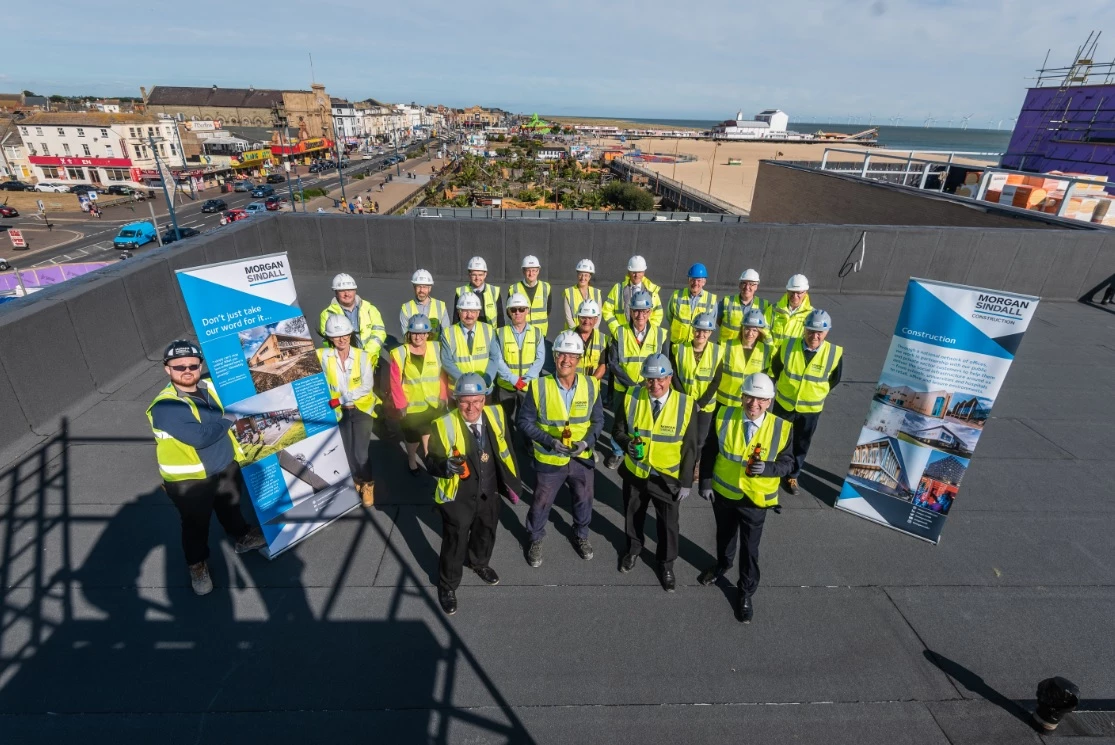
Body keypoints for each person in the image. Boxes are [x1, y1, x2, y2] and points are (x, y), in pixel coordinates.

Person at [146, 340, 266, 596]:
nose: (186, 370)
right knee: (195, 525)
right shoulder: (165, 406)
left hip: (224, 465)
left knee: (232, 509)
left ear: (200, 365)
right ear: (167, 369)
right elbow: (200, 437)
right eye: (178, 367)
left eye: (192, 365)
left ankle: (243, 537)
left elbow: (240, 378)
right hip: (189, 480)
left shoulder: (209, 386)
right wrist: (227, 419)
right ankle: (197, 565)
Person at [697, 372, 794, 623]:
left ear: (770, 401)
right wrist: (705, 482)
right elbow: (709, 450)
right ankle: (722, 565)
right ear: (741, 397)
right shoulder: (724, 416)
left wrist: (769, 469)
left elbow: (788, 463)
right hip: (725, 493)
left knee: (750, 549)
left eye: (761, 400)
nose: (754, 405)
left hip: (755, 499)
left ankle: (745, 591)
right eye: (750, 398)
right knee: (724, 536)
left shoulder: (782, 428)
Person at [426, 373, 523, 615]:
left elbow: (506, 447)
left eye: (477, 401)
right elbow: (431, 461)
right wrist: (444, 466)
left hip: (489, 492)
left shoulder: (496, 415)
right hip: (458, 498)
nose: (472, 408)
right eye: (465, 402)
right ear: (456, 400)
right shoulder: (443, 424)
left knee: (486, 532)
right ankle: (447, 585)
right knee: (454, 542)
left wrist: (510, 482)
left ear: (485, 399)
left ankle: (479, 563)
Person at [611, 354, 700, 592]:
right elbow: (617, 429)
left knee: (669, 525)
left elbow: (690, 447)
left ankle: (666, 563)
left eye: (661, 378)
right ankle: (633, 550)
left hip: (667, 479)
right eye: (650, 380)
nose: (655, 385)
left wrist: (686, 482)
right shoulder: (631, 396)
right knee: (633, 516)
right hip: (636, 473)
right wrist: (626, 442)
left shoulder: (686, 404)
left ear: (670, 378)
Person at [517, 331, 604, 566]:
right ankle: (535, 538)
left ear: (579, 360)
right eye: (561, 354)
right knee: (541, 502)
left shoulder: (591, 385)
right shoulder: (539, 387)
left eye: (572, 355)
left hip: (580, 458)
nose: (566, 360)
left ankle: (581, 535)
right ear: (554, 356)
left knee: (584, 499)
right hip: (550, 459)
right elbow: (523, 422)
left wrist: (586, 443)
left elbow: (598, 422)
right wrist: (549, 441)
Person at [771, 309, 842, 496]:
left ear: (827, 332)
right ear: (804, 329)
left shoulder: (834, 353)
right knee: (777, 438)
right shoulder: (787, 345)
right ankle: (773, 471)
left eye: (820, 332)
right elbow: (776, 368)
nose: (814, 336)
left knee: (801, 443)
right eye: (810, 331)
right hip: (784, 404)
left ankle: (792, 475)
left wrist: (816, 393)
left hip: (810, 408)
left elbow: (834, 379)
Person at [317, 315, 378, 506]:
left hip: (361, 410)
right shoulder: (323, 356)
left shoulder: (363, 356)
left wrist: (340, 399)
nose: (342, 339)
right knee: (346, 452)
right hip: (339, 412)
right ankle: (356, 480)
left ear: (350, 334)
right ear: (329, 338)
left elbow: (366, 386)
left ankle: (368, 483)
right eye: (336, 336)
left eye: (345, 335)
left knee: (361, 454)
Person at [605, 290, 669, 469]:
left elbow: (664, 362)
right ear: (630, 311)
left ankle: (645, 452)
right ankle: (618, 452)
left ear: (650, 312)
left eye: (645, 311)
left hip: (648, 388)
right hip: (623, 387)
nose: (640, 315)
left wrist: (644, 384)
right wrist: (632, 385)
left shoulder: (660, 334)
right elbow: (613, 363)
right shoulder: (619, 332)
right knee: (619, 422)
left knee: (644, 421)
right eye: (636, 311)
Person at [388, 314, 449, 475]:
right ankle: (412, 459)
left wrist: (443, 395)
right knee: (412, 438)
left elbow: (442, 375)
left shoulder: (436, 348)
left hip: (433, 402)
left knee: (429, 431)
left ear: (428, 334)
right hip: (411, 406)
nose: (418, 337)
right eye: (415, 333)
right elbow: (395, 381)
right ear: (409, 333)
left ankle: (428, 456)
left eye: (422, 333)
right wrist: (400, 404)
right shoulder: (400, 353)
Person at [671, 312, 724, 455]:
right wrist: (686, 399)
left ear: (711, 332)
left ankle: (695, 464)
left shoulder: (718, 351)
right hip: (683, 402)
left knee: (700, 440)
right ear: (693, 329)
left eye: (706, 331)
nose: (701, 334)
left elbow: (716, 380)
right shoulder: (679, 349)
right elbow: (674, 376)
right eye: (698, 330)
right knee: (680, 436)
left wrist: (700, 403)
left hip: (705, 406)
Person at [494, 292, 545, 425]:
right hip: (506, 386)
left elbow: (540, 359)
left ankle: (526, 446)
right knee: (505, 422)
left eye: (521, 309)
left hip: (527, 386)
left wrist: (526, 379)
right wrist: (513, 379)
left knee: (527, 422)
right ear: (508, 312)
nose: (518, 312)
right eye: (514, 310)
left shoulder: (537, 333)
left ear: (527, 310)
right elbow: (497, 359)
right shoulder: (499, 333)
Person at [318, 273, 387, 363]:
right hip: (344, 363)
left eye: (350, 290)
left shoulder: (370, 309)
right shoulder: (327, 314)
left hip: (370, 360)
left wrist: (366, 355)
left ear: (355, 290)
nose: (347, 294)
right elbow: (327, 341)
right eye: (342, 291)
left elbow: (379, 333)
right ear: (336, 292)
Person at [716, 309, 774, 409]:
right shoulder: (726, 345)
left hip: (750, 404)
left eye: (755, 330)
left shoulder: (766, 350)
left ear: (760, 332)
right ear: (742, 328)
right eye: (747, 328)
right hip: (725, 401)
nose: (750, 333)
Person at [441, 291, 498, 389]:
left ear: (478, 312)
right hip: (458, 389)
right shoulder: (448, 333)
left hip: (484, 388)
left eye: (473, 311)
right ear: (458, 312)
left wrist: (487, 380)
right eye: (465, 311)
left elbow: (495, 357)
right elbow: (446, 361)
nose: (469, 315)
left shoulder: (488, 329)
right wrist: (466, 382)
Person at [601, 254, 663, 337]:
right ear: (628, 272)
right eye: (634, 272)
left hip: (644, 337)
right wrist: (617, 329)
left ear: (644, 272)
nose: (636, 275)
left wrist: (648, 332)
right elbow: (607, 310)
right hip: (622, 335)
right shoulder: (618, 289)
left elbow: (658, 313)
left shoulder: (652, 291)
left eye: (639, 272)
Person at [666, 263, 718, 345]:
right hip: (677, 344)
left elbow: (711, 323)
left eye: (699, 280)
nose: (695, 283)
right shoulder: (677, 295)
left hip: (697, 346)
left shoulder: (711, 300)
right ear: (688, 280)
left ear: (704, 282)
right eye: (692, 280)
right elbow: (669, 317)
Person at [718, 269, 771, 344]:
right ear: (739, 285)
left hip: (750, 348)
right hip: (726, 347)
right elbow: (718, 320)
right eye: (744, 283)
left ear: (756, 287)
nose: (747, 287)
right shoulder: (727, 301)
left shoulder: (765, 305)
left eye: (751, 284)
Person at [506, 255, 552, 336]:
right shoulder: (514, 289)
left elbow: (548, 310)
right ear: (523, 271)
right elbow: (509, 312)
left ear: (538, 271)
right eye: (528, 270)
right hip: (520, 333)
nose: (531, 273)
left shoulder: (546, 288)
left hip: (540, 334)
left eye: (534, 270)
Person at [400, 269, 450, 341]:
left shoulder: (441, 306)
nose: (421, 290)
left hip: (436, 350)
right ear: (414, 287)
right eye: (419, 286)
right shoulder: (406, 308)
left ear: (430, 288)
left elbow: (446, 334)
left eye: (425, 287)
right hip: (415, 350)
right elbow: (406, 337)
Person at [454, 256, 502, 326]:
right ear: (469, 274)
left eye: (480, 275)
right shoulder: (461, 292)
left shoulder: (494, 291)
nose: (477, 278)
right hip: (467, 334)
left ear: (485, 274)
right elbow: (456, 319)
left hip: (490, 335)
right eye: (474, 275)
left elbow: (500, 319)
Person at [768, 274, 813, 345]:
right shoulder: (773, 309)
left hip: (793, 355)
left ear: (805, 292)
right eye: (792, 292)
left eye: (799, 292)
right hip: (772, 354)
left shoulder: (811, 315)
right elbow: (764, 330)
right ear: (787, 291)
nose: (795, 296)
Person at [572, 299, 607, 380]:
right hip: (571, 387)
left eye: (590, 318)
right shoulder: (566, 337)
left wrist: (590, 384)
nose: (586, 321)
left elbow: (603, 365)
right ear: (578, 317)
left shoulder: (603, 339)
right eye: (583, 317)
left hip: (592, 388)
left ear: (596, 320)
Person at [563, 259, 602, 330]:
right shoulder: (569, 292)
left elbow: (598, 317)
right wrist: (577, 333)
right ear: (577, 275)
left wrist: (590, 333)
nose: (583, 278)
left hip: (591, 335)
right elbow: (568, 318)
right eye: (580, 274)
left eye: (586, 275)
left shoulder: (596, 293)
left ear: (590, 277)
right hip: (572, 334)